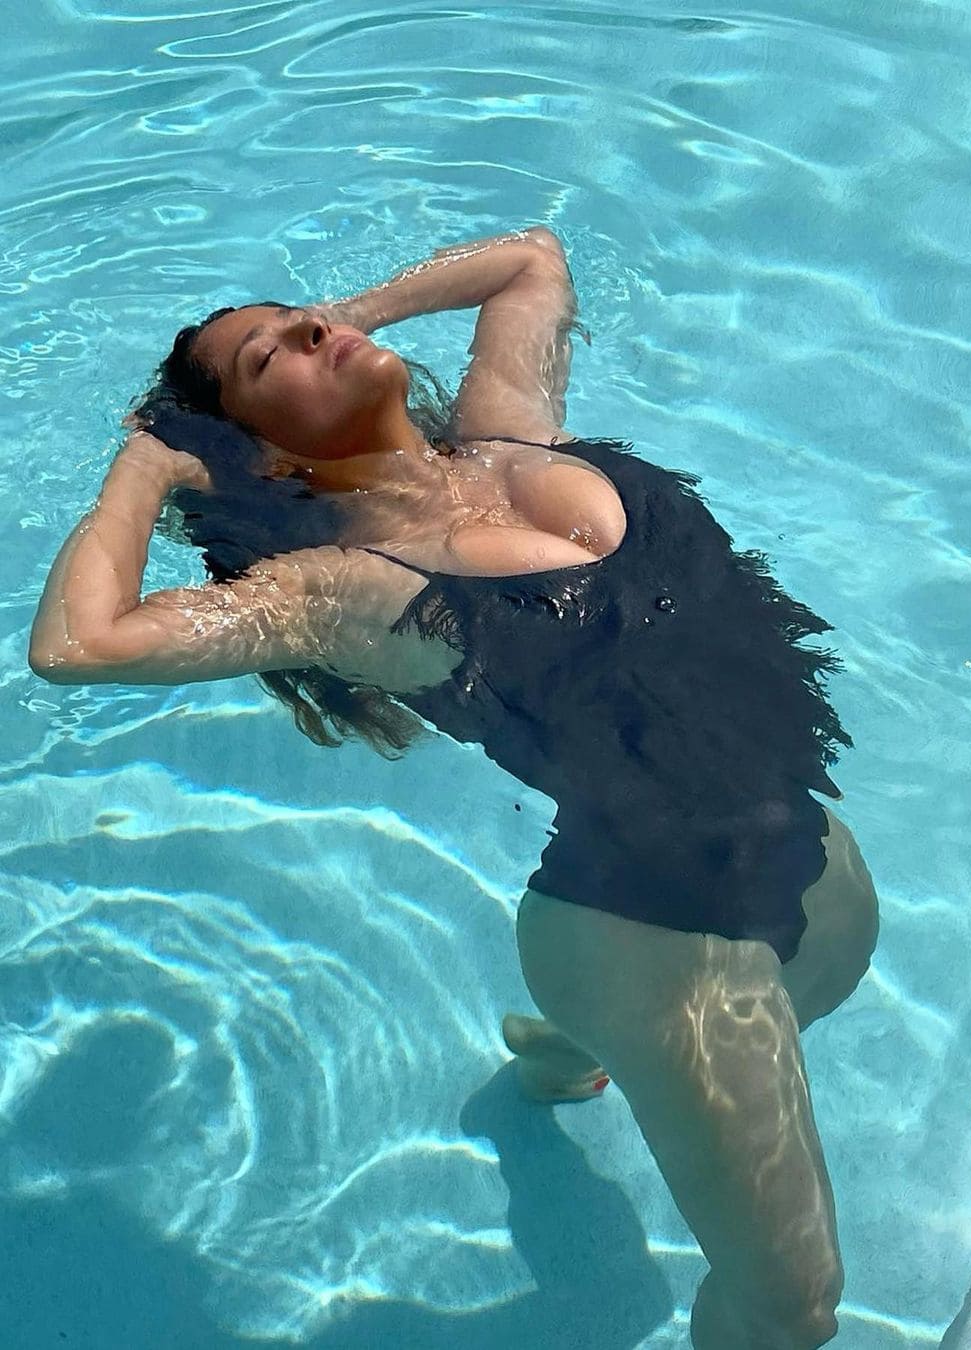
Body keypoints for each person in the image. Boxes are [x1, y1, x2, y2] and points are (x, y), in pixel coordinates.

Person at [29, 226, 879, 1349]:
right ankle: (592, 1029)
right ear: (265, 459)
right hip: (651, 933)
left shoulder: (509, 430)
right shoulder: (342, 591)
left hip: (800, 844)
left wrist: (349, 318)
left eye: (301, 316)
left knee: (796, 1007)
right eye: (269, 357)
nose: (312, 330)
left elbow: (531, 259)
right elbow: (78, 644)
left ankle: (562, 1047)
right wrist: (150, 463)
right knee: (793, 1303)